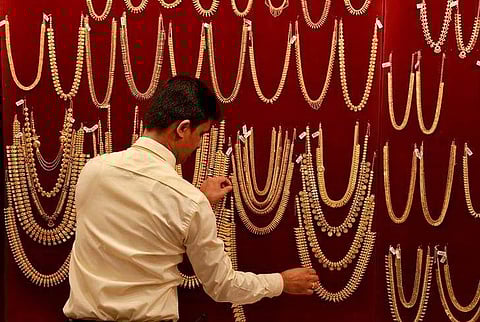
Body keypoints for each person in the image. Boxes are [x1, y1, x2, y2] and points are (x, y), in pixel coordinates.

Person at [63, 76, 319, 322]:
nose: (198, 144)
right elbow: (221, 285)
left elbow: (135, 222)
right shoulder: (187, 201)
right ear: (183, 129)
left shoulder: (93, 171)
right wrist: (282, 282)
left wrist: (199, 201)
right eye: (202, 134)